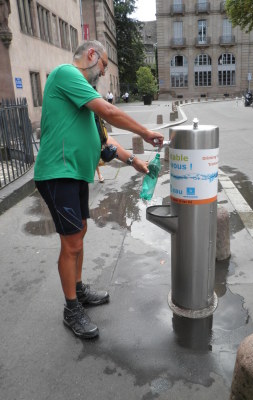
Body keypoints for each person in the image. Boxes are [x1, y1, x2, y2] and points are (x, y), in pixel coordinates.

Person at [34, 40, 164, 340]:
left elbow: (105, 143)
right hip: (57, 173)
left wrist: (135, 161)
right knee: (72, 244)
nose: (102, 73)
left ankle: (78, 291)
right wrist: (145, 131)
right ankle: (71, 309)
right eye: (103, 66)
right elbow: (108, 110)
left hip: (75, 175)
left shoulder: (84, 102)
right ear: (92, 55)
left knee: (79, 234)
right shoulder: (67, 74)